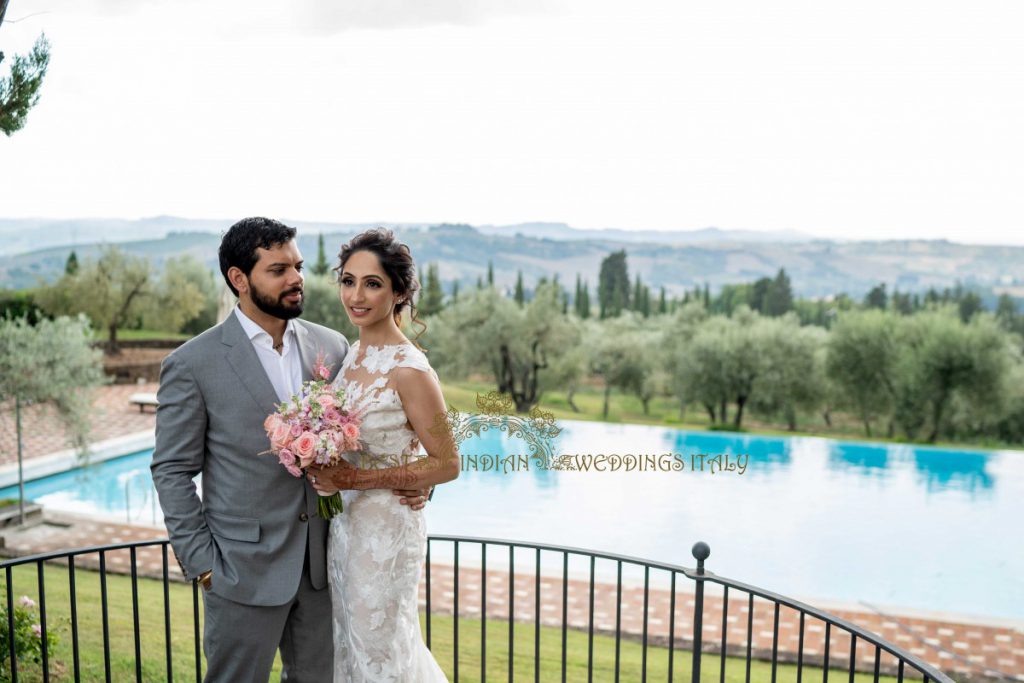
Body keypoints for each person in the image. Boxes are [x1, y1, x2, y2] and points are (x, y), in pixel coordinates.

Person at [150, 217, 432, 682]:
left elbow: (387, 430)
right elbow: (171, 471)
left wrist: (415, 486)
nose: (296, 279)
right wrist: (204, 566)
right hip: (241, 574)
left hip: (327, 571)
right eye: (278, 270)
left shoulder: (333, 346)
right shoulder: (192, 364)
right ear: (239, 279)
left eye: (298, 266)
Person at [310, 228, 460, 681]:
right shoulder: (351, 353)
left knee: (381, 650)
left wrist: (354, 481)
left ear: (398, 292)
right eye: (348, 280)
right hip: (345, 528)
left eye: (372, 284)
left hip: (387, 534)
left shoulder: (411, 370)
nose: (356, 295)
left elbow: (448, 462)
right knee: (350, 646)